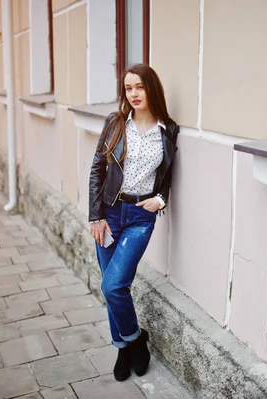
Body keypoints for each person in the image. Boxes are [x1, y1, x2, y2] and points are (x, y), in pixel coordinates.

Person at [88, 64, 179, 381]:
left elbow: (167, 177)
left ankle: (133, 341)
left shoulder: (167, 130)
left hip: (141, 217)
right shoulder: (115, 124)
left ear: (151, 88)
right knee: (113, 288)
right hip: (110, 214)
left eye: (140, 86)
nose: (134, 93)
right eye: (129, 88)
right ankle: (129, 344)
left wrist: (161, 201)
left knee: (114, 285)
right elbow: (97, 171)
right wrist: (96, 215)